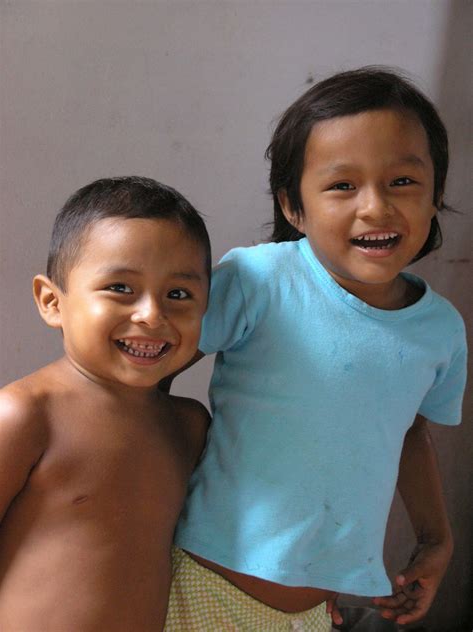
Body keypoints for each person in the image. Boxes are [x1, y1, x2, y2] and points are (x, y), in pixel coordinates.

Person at [167, 68, 467, 632]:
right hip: (202, 584)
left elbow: (404, 430)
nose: (376, 208)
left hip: (314, 613)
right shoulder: (260, 280)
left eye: (403, 181)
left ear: (435, 197)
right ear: (293, 206)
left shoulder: (440, 331)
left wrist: (436, 538)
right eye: (342, 185)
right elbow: (150, 371)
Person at [0, 176, 211, 631]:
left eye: (178, 294)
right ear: (52, 301)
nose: (152, 314)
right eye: (120, 288)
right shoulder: (24, 416)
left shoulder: (189, 427)